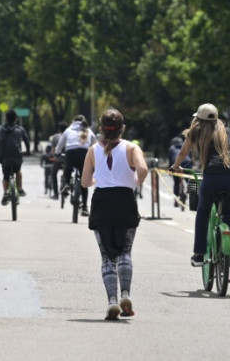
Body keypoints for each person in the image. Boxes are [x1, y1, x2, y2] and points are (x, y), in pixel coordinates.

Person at [81, 108, 147, 320]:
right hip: (125, 202)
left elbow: (85, 182)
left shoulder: (92, 150)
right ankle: (125, 294)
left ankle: (111, 301)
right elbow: (143, 170)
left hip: (101, 203)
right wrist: (136, 181)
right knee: (125, 252)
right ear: (122, 129)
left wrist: (96, 181)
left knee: (107, 258)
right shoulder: (131, 148)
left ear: (101, 129)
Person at [170, 103, 230, 268]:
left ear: (198, 119)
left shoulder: (196, 131)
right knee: (228, 211)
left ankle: (199, 254)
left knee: (203, 212)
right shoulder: (226, 132)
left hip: (212, 179)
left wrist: (176, 166)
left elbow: (183, 152)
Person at [57, 115, 97, 216]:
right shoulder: (88, 130)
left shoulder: (68, 129)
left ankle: (66, 183)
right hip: (84, 154)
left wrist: (57, 152)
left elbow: (60, 144)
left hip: (71, 153)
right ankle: (84, 207)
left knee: (68, 167)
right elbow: (95, 143)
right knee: (84, 181)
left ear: (73, 121)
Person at [0, 109, 31, 205]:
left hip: (4, 157)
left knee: (6, 176)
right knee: (18, 171)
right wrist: (28, 151)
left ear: (6, 118)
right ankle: (20, 188)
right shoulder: (20, 129)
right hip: (17, 156)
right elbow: (27, 141)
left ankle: (5, 193)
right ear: (16, 119)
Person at [167, 135, 192, 208]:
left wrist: (170, 168)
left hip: (176, 163)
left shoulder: (172, 148)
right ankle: (188, 186)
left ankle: (176, 199)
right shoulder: (186, 146)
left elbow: (170, 159)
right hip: (187, 163)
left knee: (176, 183)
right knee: (189, 179)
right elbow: (190, 157)